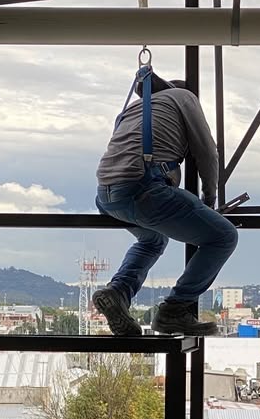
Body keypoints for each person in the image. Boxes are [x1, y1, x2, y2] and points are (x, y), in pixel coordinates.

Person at [92, 71, 237, 337]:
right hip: (143, 190)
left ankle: (118, 292)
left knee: (152, 240)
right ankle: (175, 310)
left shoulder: (134, 109)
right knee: (224, 237)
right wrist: (209, 200)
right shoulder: (184, 98)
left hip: (107, 196)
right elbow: (207, 153)